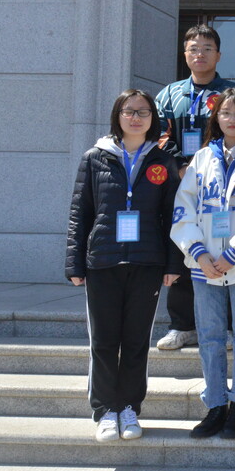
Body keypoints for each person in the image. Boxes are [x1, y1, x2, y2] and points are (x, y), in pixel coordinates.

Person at [66, 90, 181, 442]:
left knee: (135, 340)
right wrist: (74, 262)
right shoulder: (95, 157)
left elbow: (172, 216)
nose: (135, 118)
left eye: (143, 112)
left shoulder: (163, 160)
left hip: (147, 261)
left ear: (153, 119)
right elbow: (80, 213)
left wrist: (173, 262)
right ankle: (105, 410)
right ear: (117, 115)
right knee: (103, 341)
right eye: (129, 111)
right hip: (103, 261)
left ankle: (129, 408)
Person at [170, 87, 235, 440]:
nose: (232, 118)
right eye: (226, 112)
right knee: (210, 337)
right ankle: (215, 405)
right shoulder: (201, 159)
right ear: (216, 118)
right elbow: (183, 209)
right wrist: (198, 252)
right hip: (204, 264)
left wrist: (232, 255)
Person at [154, 24, 235, 351]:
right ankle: (182, 325)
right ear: (185, 55)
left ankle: (230, 325)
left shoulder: (231, 93)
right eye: (194, 49)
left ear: (218, 55)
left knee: (223, 248)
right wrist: (180, 165)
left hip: (221, 185)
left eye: (207, 48)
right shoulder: (170, 94)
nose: (200, 54)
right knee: (183, 249)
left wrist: (210, 165)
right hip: (180, 184)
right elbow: (158, 134)